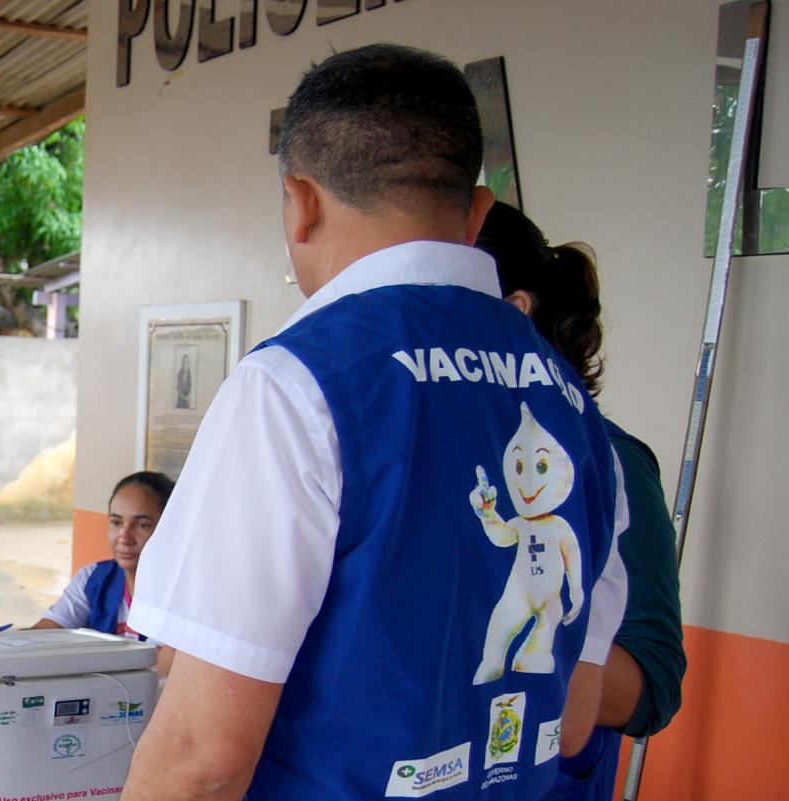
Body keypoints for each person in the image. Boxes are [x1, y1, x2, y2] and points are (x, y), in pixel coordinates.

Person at [122, 44, 629, 801]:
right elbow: (576, 718)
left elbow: (203, 756)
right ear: (477, 213)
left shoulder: (296, 385)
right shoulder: (578, 415)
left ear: (300, 201)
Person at [476, 201, 686, 801]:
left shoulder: (610, 462)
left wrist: (561, 643)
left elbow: (653, 684)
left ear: (514, 310)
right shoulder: (454, 452)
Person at [32, 471, 177, 676]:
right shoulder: (93, 578)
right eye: (116, 522)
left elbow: (155, 673)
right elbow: (46, 633)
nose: (124, 537)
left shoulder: (182, 596)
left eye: (142, 525)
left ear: (171, 529)